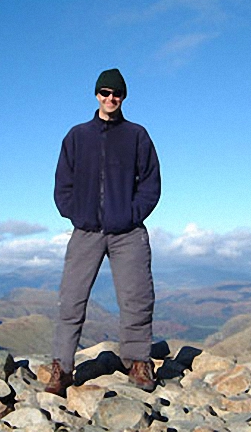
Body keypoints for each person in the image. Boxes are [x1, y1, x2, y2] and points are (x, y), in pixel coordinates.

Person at [45, 68, 161, 397]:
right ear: (97, 94)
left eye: (117, 94)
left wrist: (131, 214)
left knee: (137, 298)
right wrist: (77, 213)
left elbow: (151, 183)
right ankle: (62, 368)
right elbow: (62, 185)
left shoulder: (137, 135)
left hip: (128, 232)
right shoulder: (77, 136)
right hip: (86, 231)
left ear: (123, 97)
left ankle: (138, 361)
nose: (111, 98)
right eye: (106, 92)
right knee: (71, 300)